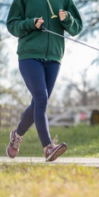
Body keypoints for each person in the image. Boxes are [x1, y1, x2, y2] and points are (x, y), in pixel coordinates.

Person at [6, 0, 83, 162]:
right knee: (41, 98)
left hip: (54, 57)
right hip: (29, 56)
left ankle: (17, 134)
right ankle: (48, 147)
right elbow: (12, 25)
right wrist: (30, 23)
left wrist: (67, 18)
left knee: (38, 102)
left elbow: (76, 28)